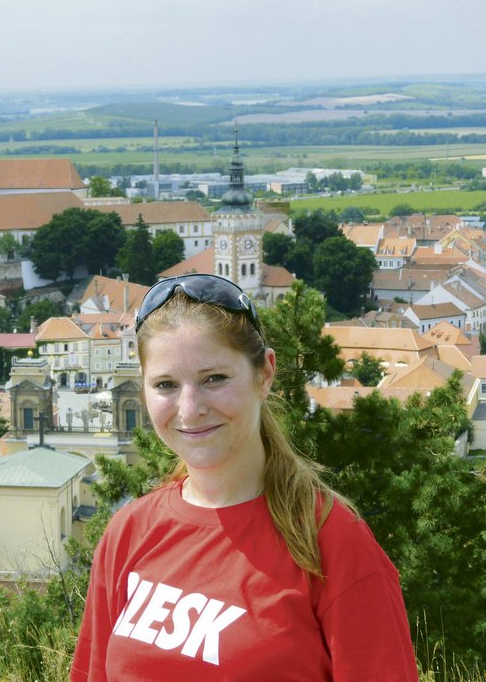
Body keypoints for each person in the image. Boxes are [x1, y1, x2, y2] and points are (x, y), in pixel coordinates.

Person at [71, 274, 417, 681]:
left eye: (213, 379)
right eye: (166, 385)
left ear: (264, 374)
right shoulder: (128, 532)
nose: (189, 408)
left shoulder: (333, 543)